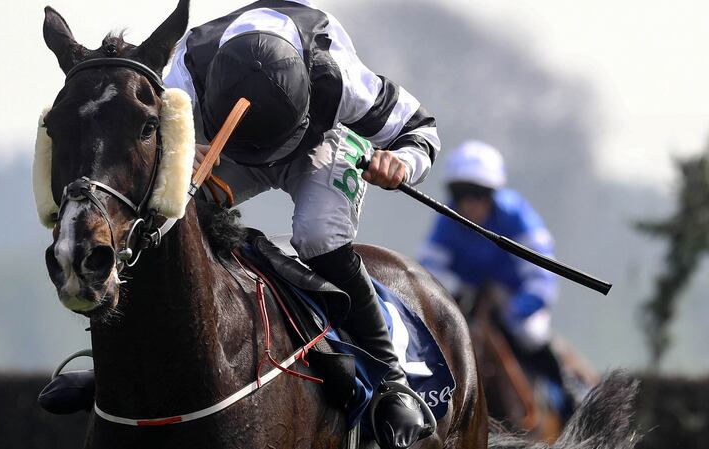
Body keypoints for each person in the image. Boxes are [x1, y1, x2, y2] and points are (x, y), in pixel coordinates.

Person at [163, 1, 440, 447]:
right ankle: (121, 367)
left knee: (318, 235)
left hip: (317, 144)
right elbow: (139, 143)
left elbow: (421, 130)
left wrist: (401, 162)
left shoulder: (337, 75)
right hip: (222, 145)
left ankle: (391, 381)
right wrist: (174, 147)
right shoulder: (184, 72)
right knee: (168, 215)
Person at [417, 140, 573, 416]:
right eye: (461, 194)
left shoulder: (517, 216)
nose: (469, 204)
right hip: (469, 299)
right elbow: (428, 271)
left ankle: (568, 400)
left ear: (493, 194)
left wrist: (515, 311)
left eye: (478, 194)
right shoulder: (446, 218)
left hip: (514, 302)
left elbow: (542, 278)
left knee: (532, 335)